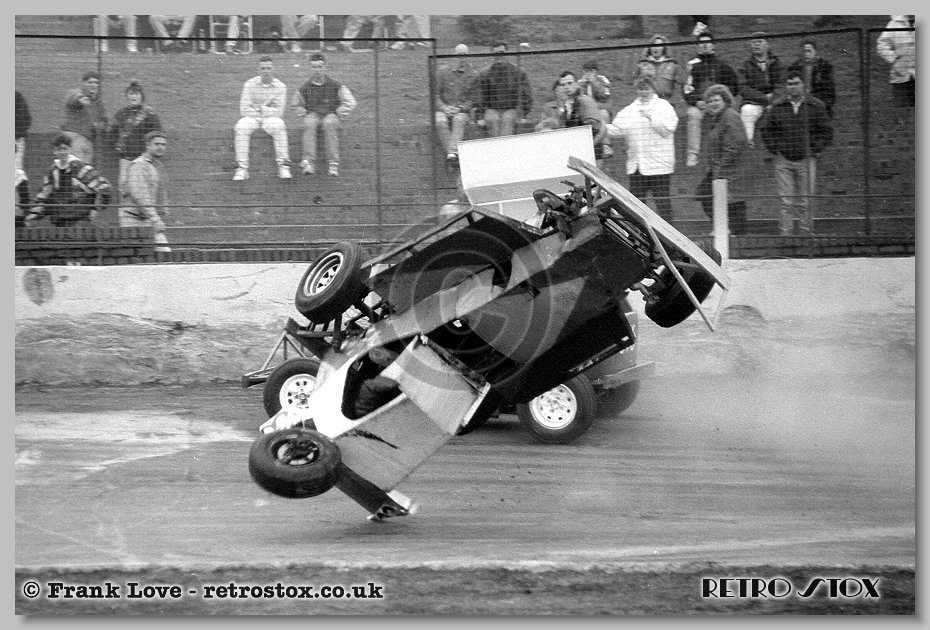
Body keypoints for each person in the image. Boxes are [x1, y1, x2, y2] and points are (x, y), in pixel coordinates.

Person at [757, 70, 833, 236]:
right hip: (783, 161)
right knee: (786, 201)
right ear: (786, 86)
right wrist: (775, 148)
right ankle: (786, 235)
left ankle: (806, 235)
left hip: (807, 160)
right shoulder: (778, 106)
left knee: (807, 201)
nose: (793, 87)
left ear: (804, 85)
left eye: (796, 83)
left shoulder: (816, 105)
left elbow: (827, 131)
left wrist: (815, 148)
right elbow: (765, 129)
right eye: (789, 84)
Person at [607, 76, 679, 222]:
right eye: (640, 89)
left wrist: (651, 117)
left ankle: (671, 234)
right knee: (637, 205)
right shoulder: (630, 109)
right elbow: (617, 129)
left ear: (653, 89)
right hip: (637, 166)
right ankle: (641, 233)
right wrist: (600, 126)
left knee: (662, 202)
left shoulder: (664, 106)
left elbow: (667, 130)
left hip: (659, 166)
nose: (644, 92)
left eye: (647, 89)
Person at [694, 84, 749, 235]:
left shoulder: (730, 115)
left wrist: (721, 165)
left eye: (716, 100)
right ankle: (722, 230)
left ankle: (730, 233)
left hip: (730, 170)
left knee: (730, 201)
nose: (713, 104)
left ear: (725, 100)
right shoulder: (718, 118)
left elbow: (735, 143)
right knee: (708, 195)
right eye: (710, 101)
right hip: (721, 169)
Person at [24, 134, 111, 227]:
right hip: (59, 222)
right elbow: (44, 195)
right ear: (54, 151)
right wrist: (33, 214)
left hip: (80, 222)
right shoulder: (52, 171)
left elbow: (105, 188)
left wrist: (95, 209)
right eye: (58, 149)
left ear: (70, 149)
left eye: (65, 149)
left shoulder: (81, 168)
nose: (62, 152)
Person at [292, 53, 357, 177]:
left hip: (331, 114)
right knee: (308, 123)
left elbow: (351, 101)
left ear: (325, 67)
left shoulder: (335, 85)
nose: (317, 70)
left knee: (329, 123)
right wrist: (301, 110)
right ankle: (308, 162)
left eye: (320, 67)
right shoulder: (305, 87)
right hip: (313, 114)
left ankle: (333, 163)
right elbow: (295, 103)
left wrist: (341, 111)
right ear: (310, 68)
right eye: (314, 67)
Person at [682, 32, 739, 167]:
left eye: (707, 42)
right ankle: (692, 155)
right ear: (697, 46)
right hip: (700, 105)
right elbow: (687, 89)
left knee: (730, 116)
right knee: (692, 114)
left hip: (719, 105)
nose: (704, 45)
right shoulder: (692, 66)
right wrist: (697, 102)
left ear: (713, 45)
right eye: (701, 43)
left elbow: (734, 86)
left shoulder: (722, 65)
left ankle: (731, 153)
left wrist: (722, 100)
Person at [233, 55, 292, 181]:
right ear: (258, 70)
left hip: (269, 118)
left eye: (268, 68)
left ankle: (283, 166)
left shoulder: (280, 86)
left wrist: (259, 108)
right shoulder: (249, 84)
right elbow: (244, 110)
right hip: (252, 118)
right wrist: (268, 109)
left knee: (279, 125)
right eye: (263, 68)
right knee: (241, 126)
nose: (266, 71)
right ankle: (242, 168)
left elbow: (280, 112)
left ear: (273, 69)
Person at [120, 130, 171, 252]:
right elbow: (140, 195)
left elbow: (161, 192)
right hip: (133, 219)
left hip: (148, 219)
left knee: (163, 253)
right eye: (157, 144)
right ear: (148, 145)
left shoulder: (158, 166)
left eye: (163, 144)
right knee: (138, 255)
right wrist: (155, 219)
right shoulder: (139, 165)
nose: (160, 147)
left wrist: (162, 213)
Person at [109, 81, 163, 196]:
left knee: (145, 190)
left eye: (136, 94)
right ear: (127, 96)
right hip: (126, 159)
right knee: (125, 190)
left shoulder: (150, 115)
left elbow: (157, 135)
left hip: (144, 159)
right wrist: (117, 148)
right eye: (131, 93)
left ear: (141, 96)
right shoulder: (120, 114)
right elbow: (111, 135)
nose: (133, 96)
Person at [535, 71, 607, 157]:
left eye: (570, 83)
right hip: (578, 151)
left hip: (591, 153)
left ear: (576, 84)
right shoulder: (568, 104)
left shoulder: (585, 101)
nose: (566, 87)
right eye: (563, 85)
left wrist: (582, 147)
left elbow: (594, 129)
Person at [473, 42, 533, 137]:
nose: (499, 55)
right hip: (492, 109)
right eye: (496, 53)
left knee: (507, 119)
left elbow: (525, 95)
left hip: (511, 109)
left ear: (506, 53)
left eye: (501, 52)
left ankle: (504, 145)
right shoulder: (484, 74)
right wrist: (479, 117)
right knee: (493, 120)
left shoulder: (519, 72)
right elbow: (480, 96)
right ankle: (497, 145)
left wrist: (523, 114)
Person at [737, 32, 786, 147]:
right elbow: (743, 88)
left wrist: (773, 102)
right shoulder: (745, 65)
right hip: (754, 102)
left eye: (759, 41)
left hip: (776, 101)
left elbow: (782, 85)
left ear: (767, 45)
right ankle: (748, 145)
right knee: (747, 111)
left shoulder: (778, 63)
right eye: (754, 42)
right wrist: (764, 97)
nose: (756, 44)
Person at [434, 43, 478, 166]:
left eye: (464, 55)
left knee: (459, 120)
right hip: (444, 109)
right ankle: (453, 154)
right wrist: (443, 107)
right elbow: (435, 94)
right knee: (439, 121)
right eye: (459, 55)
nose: (462, 58)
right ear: (454, 55)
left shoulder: (473, 75)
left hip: (461, 111)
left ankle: (452, 153)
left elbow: (473, 99)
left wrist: (460, 108)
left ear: (468, 56)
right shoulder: (442, 72)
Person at [61, 71, 107, 164]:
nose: (94, 85)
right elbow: (73, 98)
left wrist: (102, 124)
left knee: (85, 170)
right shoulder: (75, 93)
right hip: (74, 137)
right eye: (90, 82)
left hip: (89, 140)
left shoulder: (98, 103)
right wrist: (81, 98)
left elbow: (103, 119)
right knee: (76, 168)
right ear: (83, 83)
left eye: (96, 82)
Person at [787, 40, 836, 118]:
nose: (806, 54)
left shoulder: (824, 66)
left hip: (818, 101)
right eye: (804, 51)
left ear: (815, 51)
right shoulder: (795, 66)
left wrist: (826, 104)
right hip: (800, 101)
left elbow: (830, 89)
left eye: (809, 51)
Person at [877, 15, 915, 107]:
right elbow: (882, 45)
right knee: (901, 110)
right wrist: (894, 57)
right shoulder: (894, 24)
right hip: (900, 76)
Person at [577, 59, 613, 157]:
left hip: (601, 108)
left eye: (591, 71)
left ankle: (606, 145)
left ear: (596, 72)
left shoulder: (603, 80)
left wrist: (594, 83)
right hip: (587, 112)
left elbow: (605, 97)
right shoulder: (580, 82)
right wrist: (582, 85)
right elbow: (578, 99)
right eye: (586, 71)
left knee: (603, 114)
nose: (588, 73)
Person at [633, 34, 680, 101]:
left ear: (664, 48)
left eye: (659, 46)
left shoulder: (672, 64)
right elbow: (631, 80)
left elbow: (681, 81)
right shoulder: (642, 64)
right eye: (653, 45)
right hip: (646, 100)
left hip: (666, 100)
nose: (655, 48)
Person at [15, 90, 31, 172]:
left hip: (16, 139)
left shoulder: (16, 97)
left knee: (15, 171)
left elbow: (25, 119)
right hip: (17, 138)